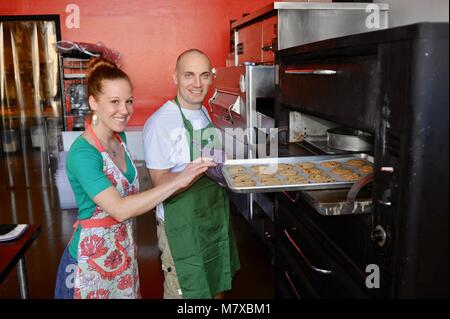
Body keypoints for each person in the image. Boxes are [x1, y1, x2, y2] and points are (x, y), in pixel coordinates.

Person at [54, 56, 214, 299]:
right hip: (88, 265)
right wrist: (179, 179)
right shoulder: (83, 153)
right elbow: (118, 209)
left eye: (128, 101)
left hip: (123, 255)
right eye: (114, 102)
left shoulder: (120, 140)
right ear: (93, 102)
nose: (125, 110)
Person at [143, 49, 240, 299]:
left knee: (217, 283)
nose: (197, 84)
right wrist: (200, 167)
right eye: (189, 75)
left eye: (204, 75)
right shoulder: (160, 123)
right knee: (189, 293)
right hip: (182, 227)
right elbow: (159, 182)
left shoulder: (205, 112)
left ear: (211, 78)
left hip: (214, 220)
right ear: (175, 77)